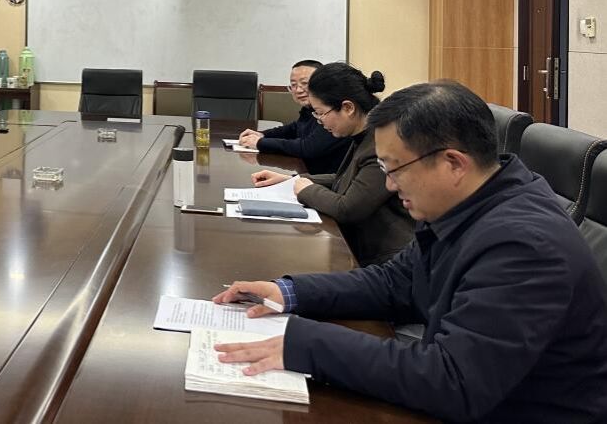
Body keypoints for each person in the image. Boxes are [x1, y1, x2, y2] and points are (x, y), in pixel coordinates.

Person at [212, 81, 607, 423]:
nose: (388, 184)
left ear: (453, 163)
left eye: (394, 168)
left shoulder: (523, 246)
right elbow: (395, 281)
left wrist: (307, 344)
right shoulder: (468, 204)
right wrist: (289, 292)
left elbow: (454, 381)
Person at [249, 62, 412, 266]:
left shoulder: (380, 145)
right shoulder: (363, 135)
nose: (319, 121)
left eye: (321, 113)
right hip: (362, 250)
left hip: (385, 259)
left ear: (348, 108)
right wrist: (292, 180)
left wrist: (306, 190)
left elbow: (347, 209)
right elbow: (346, 178)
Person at [237, 59, 351, 174]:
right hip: (309, 175)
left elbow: (309, 147)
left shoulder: (334, 112)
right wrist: (263, 134)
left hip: (327, 179)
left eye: (305, 83)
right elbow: (295, 128)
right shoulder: (309, 109)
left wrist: (260, 143)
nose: (298, 90)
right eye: (293, 85)